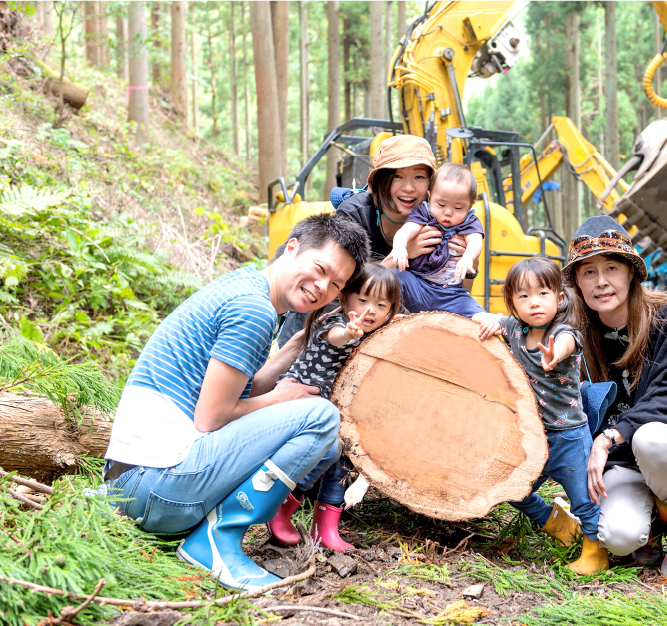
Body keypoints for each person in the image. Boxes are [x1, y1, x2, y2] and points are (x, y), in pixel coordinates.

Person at [102, 213, 370, 592]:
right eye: (319, 269)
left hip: (129, 482)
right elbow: (212, 416)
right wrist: (282, 397)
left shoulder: (246, 289)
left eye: (336, 284)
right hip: (155, 489)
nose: (322, 287)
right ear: (292, 247)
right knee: (322, 418)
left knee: (309, 416)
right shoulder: (253, 311)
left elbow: (241, 392)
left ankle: (210, 532)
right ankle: (216, 540)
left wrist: (295, 347)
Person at [564, 215, 667, 581]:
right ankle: (649, 523)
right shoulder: (574, 334)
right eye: (588, 272)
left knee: (649, 436)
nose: (601, 281)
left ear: (631, 273)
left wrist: (607, 438)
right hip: (624, 466)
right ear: (576, 281)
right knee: (620, 539)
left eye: (611, 268)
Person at [276, 134, 473, 346]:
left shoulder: (440, 220)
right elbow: (338, 285)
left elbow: (454, 292)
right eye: (397, 177)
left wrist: (471, 264)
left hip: (383, 321)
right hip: (327, 311)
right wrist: (403, 253)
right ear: (379, 180)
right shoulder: (354, 214)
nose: (408, 188)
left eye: (418, 177)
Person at [267, 263, 402, 552]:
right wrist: (349, 332)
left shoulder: (373, 333)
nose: (371, 310)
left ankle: (326, 524)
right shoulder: (334, 321)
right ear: (344, 299)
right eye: (363, 300)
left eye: (381, 305)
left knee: (343, 458)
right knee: (327, 451)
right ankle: (282, 506)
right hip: (306, 397)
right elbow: (337, 336)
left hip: (335, 407)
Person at [496, 257, 607, 575]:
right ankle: (556, 523)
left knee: (584, 498)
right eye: (523, 296)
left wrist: (554, 353)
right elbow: (484, 317)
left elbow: (566, 344)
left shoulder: (563, 332)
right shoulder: (515, 329)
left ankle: (594, 551)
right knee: (515, 490)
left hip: (569, 437)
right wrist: (486, 322)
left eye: (542, 294)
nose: (533, 303)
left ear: (559, 298)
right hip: (533, 436)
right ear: (513, 303)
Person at [385, 163, 497, 338]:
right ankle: (387, 318)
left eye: (458, 208)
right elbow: (405, 231)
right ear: (429, 197)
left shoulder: (469, 221)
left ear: (470, 205)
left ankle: (490, 321)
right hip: (419, 286)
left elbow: (476, 241)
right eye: (441, 204)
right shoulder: (424, 213)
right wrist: (400, 247)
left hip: (452, 294)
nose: (448, 213)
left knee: (474, 310)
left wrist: (468, 257)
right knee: (395, 276)